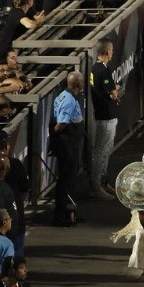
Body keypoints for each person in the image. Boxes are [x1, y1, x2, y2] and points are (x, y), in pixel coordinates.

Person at [49, 73, 85, 226]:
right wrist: (56, 137)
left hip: (68, 144)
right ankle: (62, 216)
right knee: (66, 180)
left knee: (66, 179)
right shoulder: (69, 100)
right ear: (77, 84)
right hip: (68, 145)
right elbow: (60, 124)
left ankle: (66, 212)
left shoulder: (62, 95)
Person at [87, 41, 119, 198]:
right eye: (112, 50)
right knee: (101, 151)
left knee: (105, 150)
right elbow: (113, 94)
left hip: (104, 115)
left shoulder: (95, 68)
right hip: (105, 117)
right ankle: (96, 185)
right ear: (106, 51)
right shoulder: (102, 70)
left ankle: (103, 182)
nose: (112, 53)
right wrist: (117, 89)